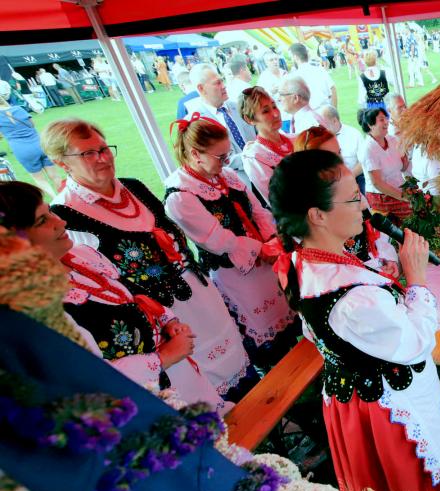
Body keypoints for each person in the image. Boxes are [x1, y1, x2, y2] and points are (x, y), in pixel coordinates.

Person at [267, 149, 440, 491]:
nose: (363, 204)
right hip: (385, 407)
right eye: (353, 197)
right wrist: (417, 279)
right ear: (317, 215)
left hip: (352, 399)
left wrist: (377, 275)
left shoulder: (300, 260)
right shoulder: (354, 299)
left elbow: (317, 331)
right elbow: (417, 342)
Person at [44, 118, 257, 401]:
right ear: (62, 163)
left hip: (202, 297)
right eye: (88, 153)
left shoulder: (134, 187)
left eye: (104, 149)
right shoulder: (67, 216)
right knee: (206, 388)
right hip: (167, 322)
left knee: (238, 367)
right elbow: (105, 283)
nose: (103, 158)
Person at [0, 180, 225, 412]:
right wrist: (164, 357)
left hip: (181, 374)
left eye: (50, 212)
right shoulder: (42, 306)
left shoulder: (83, 256)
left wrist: (168, 321)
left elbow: (134, 293)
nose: (60, 222)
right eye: (42, 221)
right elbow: (92, 376)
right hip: (142, 401)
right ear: (11, 244)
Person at [164, 115, 298, 371]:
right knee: (262, 334)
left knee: (285, 320)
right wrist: (261, 249)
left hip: (263, 262)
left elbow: (257, 210)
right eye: (220, 156)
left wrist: (272, 239)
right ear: (196, 154)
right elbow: (217, 239)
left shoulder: (226, 176)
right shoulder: (180, 196)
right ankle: (277, 377)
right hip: (234, 273)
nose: (226, 162)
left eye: (227, 155)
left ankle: (297, 366)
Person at [292, 124, 400, 276]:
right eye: (329, 156)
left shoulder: (349, 189)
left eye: (339, 153)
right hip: (349, 278)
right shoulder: (309, 211)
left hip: (374, 268)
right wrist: (373, 274)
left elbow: (373, 228)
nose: (339, 161)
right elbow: (328, 264)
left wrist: (387, 259)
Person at [184, 63, 257, 186]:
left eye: (222, 80)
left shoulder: (240, 107)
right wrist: (253, 155)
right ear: (201, 88)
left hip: (263, 175)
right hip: (235, 186)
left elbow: (259, 132)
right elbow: (213, 161)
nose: (224, 86)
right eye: (217, 83)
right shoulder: (196, 124)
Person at [0, 83, 63, 196]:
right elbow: (32, 124)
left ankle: (56, 200)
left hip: (22, 149)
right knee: (55, 176)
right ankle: (65, 199)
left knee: (40, 179)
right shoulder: (18, 109)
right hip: (40, 143)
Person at [239, 86, 295, 203]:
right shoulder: (255, 157)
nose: (275, 114)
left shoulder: (295, 139)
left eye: (274, 106)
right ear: (249, 119)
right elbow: (278, 201)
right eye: (265, 111)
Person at [360, 107, 410, 222]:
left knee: (423, 204)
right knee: (415, 212)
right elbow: (377, 183)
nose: (386, 122)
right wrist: (403, 197)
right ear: (370, 125)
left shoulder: (392, 140)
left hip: (399, 189)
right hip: (381, 196)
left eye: (386, 118)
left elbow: (402, 168)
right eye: (381, 120)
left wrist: (405, 156)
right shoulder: (368, 148)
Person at [317, 103, 367, 193]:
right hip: (330, 180)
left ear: (335, 121)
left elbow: (363, 162)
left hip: (354, 176)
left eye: (323, 124)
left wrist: (349, 177)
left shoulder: (354, 134)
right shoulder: (319, 137)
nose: (320, 127)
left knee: (363, 194)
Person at [289, 42, 338, 110]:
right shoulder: (320, 70)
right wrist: (334, 110)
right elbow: (333, 89)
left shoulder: (295, 77)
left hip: (315, 112)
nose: (291, 60)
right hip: (326, 109)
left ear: (295, 57)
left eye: (291, 57)